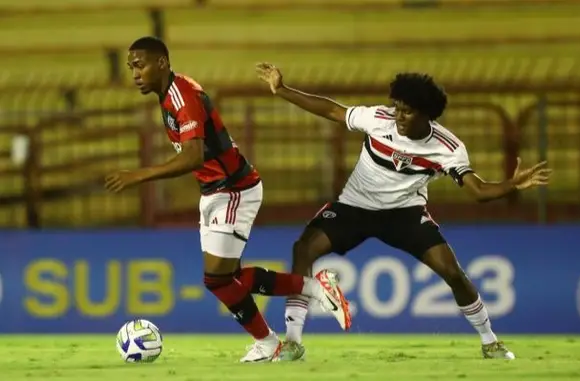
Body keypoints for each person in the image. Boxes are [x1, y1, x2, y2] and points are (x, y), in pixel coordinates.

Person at [256, 62, 552, 361]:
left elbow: (478, 191)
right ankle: (293, 342)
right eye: (396, 107)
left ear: (427, 115)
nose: (398, 116)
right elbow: (333, 110)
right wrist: (282, 90)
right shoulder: (378, 118)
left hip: (404, 213)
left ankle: (490, 342)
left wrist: (512, 184)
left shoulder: (447, 147)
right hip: (355, 206)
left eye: (406, 111)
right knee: (303, 248)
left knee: (453, 273)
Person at [104, 37, 352, 363]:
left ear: (162, 62)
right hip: (214, 191)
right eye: (131, 67)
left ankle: (279, 329)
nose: (135, 73)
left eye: (140, 64)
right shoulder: (168, 97)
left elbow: (193, 156)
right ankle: (302, 305)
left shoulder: (183, 97)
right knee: (226, 279)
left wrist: (139, 175)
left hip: (234, 188)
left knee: (216, 278)